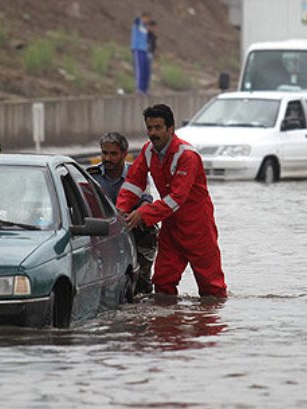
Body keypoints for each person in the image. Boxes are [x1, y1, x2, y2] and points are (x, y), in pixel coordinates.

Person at [117, 104, 227, 298]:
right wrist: (119, 211)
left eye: (158, 128)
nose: (153, 133)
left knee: (212, 288)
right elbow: (133, 183)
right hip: (170, 224)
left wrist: (144, 213)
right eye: (149, 128)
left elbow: (177, 198)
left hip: (198, 227)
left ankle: (209, 325)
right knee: (162, 283)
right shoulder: (148, 151)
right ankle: (167, 326)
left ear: (170, 129)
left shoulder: (187, 156)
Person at [87, 132, 157, 294]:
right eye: (104, 153)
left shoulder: (137, 174)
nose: (108, 158)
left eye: (113, 154)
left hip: (134, 230)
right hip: (104, 233)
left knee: (141, 284)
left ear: (124, 154)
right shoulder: (91, 176)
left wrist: (135, 215)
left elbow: (147, 201)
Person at [130, 12, 151, 95]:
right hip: (138, 49)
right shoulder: (138, 24)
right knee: (139, 69)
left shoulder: (145, 28)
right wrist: (140, 19)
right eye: (146, 18)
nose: (147, 20)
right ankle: (139, 89)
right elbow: (136, 19)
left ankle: (145, 89)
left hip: (144, 50)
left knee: (146, 70)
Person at [147, 19, 157, 87]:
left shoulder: (153, 36)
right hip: (145, 54)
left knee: (149, 71)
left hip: (150, 54)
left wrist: (153, 53)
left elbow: (153, 46)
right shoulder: (145, 35)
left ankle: (146, 88)